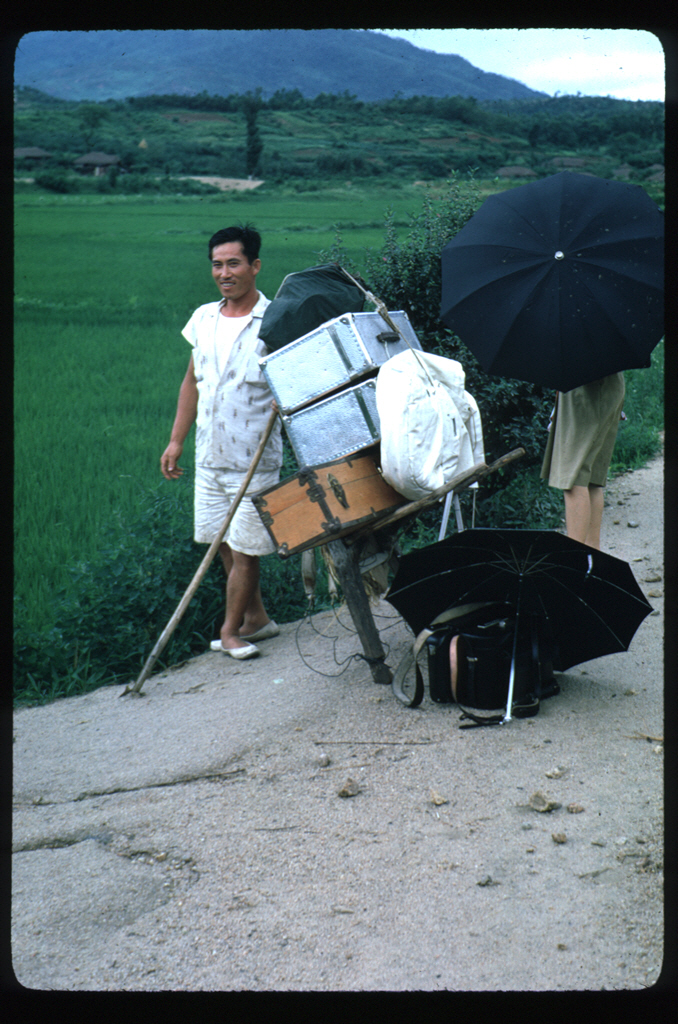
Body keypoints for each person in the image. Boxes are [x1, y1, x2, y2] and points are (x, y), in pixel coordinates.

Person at [160, 225, 283, 659]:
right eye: (217, 264)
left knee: (247, 549)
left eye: (233, 263)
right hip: (210, 454)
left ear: (255, 266)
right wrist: (176, 441)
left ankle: (230, 631)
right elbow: (192, 382)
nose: (224, 273)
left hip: (255, 457)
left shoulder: (276, 322)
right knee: (223, 545)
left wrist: (284, 403)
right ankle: (258, 620)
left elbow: (298, 385)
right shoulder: (203, 318)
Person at [540, 373, 625, 550]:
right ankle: (591, 558)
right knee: (591, 478)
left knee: (573, 476)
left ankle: (576, 559)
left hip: (585, 388)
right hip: (607, 384)